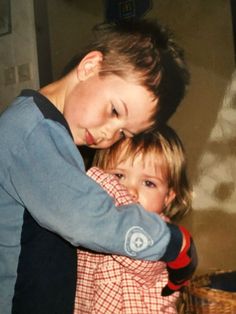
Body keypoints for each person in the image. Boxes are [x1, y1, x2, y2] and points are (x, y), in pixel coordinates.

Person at [0, 20, 193, 314]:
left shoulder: (52, 135)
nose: (108, 134)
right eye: (114, 111)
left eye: (123, 133)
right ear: (90, 66)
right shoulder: (31, 132)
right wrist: (172, 241)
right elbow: (85, 217)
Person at [74, 125, 195, 313]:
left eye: (148, 183)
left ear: (168, 197)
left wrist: (97, 179)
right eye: (119, 176)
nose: (130, 191)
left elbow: (128, 234)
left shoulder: (158, 234)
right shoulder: (90, 220)